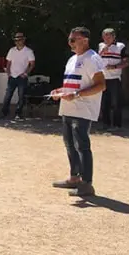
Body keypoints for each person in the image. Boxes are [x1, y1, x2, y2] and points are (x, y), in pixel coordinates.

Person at [50, 27, 106, 197]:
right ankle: (74, 178)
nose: (70, 43)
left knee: (82, 145)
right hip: (68, 108)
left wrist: (76, 94)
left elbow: (101, 85)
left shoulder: (92, 58)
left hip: (83, 108)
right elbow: (73, 82)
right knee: (69, 144)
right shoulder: (72, 59)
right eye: (69, 40)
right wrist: (59, 91)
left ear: (85, 40)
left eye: (73, 40)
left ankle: (87, 183)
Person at [98, 28, 128, 131]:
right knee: (104, 103)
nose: (106, 38)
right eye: (104, 36)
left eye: (109, 36)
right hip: (103, 78)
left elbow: (126, 62)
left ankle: (117, 125)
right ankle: (105, 124)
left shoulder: (120, 46)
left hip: (115, 78)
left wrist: (114, 67)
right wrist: (103, 51)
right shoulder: (101, 46)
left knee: (116, 103)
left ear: (114, 37)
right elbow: (96, 59)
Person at [1, 32, 35, 120]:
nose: (18, 42)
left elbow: (32, 64)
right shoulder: (12, 50)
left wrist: (26, 73)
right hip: (12, 76)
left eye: (20, 40)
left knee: (21, 96)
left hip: (22, 77)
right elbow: (8, 62)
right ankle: (4, 113)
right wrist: (8, 72)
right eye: (16, 40)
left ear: (23, 40)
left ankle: (18, 114)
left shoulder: (28, 51)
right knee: (8, 95)